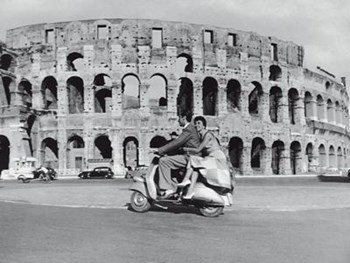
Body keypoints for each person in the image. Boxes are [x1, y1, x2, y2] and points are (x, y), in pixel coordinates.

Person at [178, 116, 232, 199]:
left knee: (194, 160)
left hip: (216, 158)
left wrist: (185, 149)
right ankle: (190, 190)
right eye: (195, 124)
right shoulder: (201, 135)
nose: (196, 125)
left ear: (204, 125)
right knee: (196, 166)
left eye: (199, 123)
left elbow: (198, 149)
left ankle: (186, 180)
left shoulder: (208, 135)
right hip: (211, 157)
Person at [155, 111, 201, 198]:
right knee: (170, 160)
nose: (178, 121)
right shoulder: (190, 129)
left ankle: (168, 189)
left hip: (190, 157)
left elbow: (177, 143)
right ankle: (175, 188)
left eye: (179, 118)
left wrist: (160, 150)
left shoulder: (189, 129)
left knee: (164, 161)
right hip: (191, 156)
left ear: (184, 118)